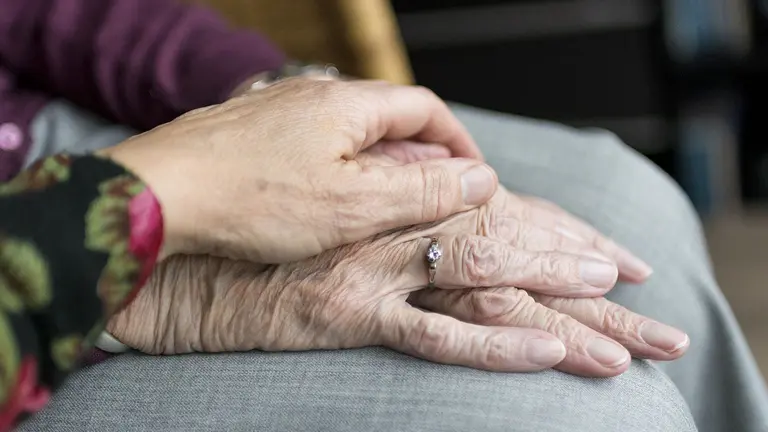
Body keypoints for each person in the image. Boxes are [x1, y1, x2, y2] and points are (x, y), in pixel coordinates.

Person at [1, 1, 766, 432]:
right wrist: (153, 278)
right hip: (28, 310)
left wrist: (274, 99)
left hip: (66, 130)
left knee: (629, 206)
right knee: (588, 413)